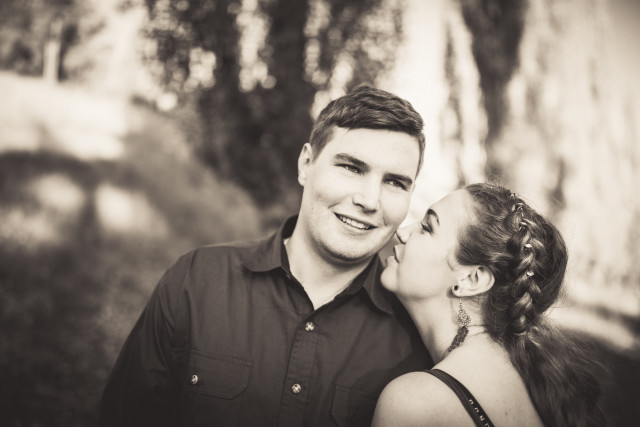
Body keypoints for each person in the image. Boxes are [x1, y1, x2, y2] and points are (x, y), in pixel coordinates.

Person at [99, 85, 433, 427]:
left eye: (395, 183)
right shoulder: (196, 280)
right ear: (306, 164)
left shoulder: (415, 337)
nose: (370, 200)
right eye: (351, 167)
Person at [372, 182, 606, 427]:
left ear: (472, 279)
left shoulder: (415, 404)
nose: (402, 232)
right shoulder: (532, 380)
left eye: (427, 228)